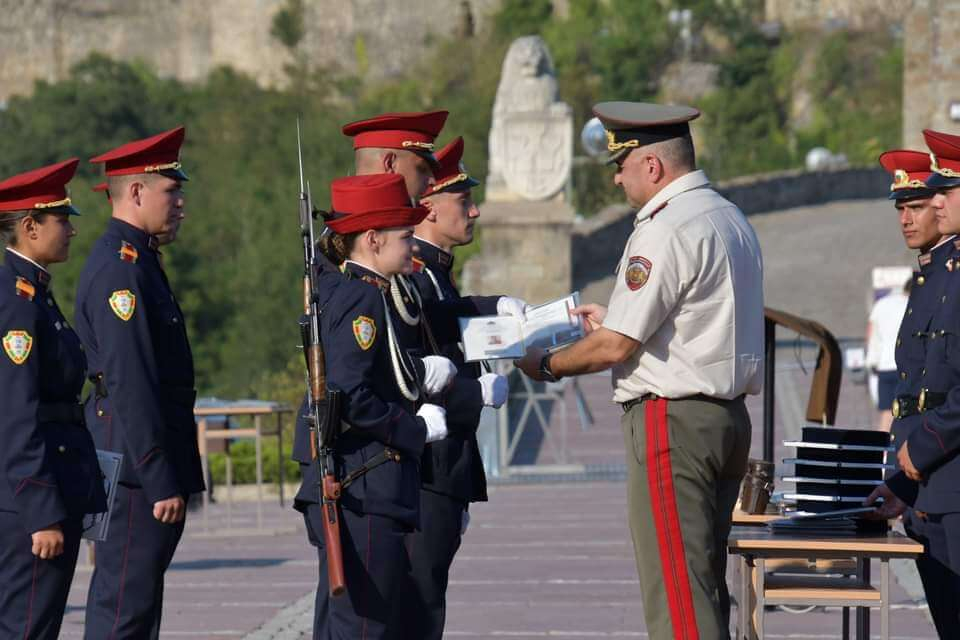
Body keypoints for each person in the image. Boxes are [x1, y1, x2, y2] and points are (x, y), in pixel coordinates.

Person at [515, 101, 764, 639]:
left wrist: (548, 365)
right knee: (704, 585)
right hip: (726, 418)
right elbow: (691, 320)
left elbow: (615, 347)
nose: (616, 180)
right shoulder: (728, 217)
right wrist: (618, 321)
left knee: (677, 592)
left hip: (674, 422)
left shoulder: (663, 228)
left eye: (621, 166)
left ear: (652, 166)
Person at [293, 173, 460, 639]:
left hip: (361, 482)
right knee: (364, 627)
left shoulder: (351, 291)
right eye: (404, 236)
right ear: (371, 239)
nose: (412, 245)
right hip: (363, 483)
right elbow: (347, 395)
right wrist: (413, 430)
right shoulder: (362, 297)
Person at [76, 126, 205, 639]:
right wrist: (157, 473)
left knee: (140, 605)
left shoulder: (140, 261)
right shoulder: (120, 269)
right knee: (123, 609)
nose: (180, 205)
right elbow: (130, 380)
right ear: (135, 192)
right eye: (171, 191)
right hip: (133, 469)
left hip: (139, 461)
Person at [392, 136, 508, 639]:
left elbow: (448, 317)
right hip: (427, 468)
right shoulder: (414, 276)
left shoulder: (435, 275)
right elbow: (408, 375)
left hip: (445, 467)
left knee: (426, 601)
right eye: (463, 201)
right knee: (418, 606)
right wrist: (471, 393)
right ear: (429, 207)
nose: (475, 211)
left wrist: (496, 306)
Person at [0, 159, 108, 640]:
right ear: (29, 227)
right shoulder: (17, 304)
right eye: (62, 220)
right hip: (30, 504)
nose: (71, 232)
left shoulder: (36, 295)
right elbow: (16, 413)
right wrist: (41, 511)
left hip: (55, 487)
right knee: (26, 627)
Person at [867, 131, 960, 637]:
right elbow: (915, 391)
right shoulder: (927, 280)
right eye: (900, 206)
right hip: (927, 489)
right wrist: (901, 483)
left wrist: (918, 456)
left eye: (920, 203)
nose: (907, 217)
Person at [865, 280, 909, 431]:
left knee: (886, 413)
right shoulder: (914, 306)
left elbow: (871, 334)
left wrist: (871, 361)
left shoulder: (881, 304)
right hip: (905, 366)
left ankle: (883, 450)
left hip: (884, 365)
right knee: (907, 413)